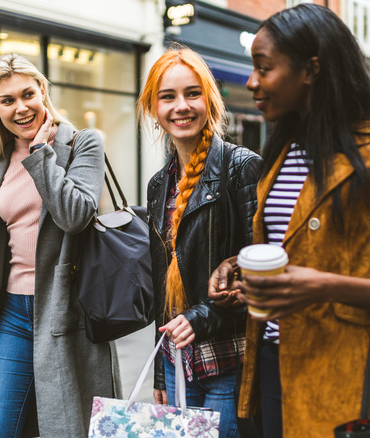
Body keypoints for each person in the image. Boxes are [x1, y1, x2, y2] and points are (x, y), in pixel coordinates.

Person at [208, 5, 370, 437]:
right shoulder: (281, 150)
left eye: (264, 67)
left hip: (349, 377)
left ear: (311, 70)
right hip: (272, 366)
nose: (252, 81)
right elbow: (294, 242)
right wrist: (237, 263)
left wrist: (323, 285)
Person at [0, 53, 120, 438]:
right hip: (11, 315)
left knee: (67, 429)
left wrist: (41, 155)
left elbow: (75, 215)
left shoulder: (83, 144)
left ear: (43, 91)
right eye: (7, 100)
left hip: (66, 313)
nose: (21, 107)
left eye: (28, 94)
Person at [138, 46, 262, 438]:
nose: (181, 106)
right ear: (153, 108)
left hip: (230, 360)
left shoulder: (241, 167)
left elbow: (259, 269)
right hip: (178, 362)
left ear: (210, 99)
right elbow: (164, 286)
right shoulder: (159, 185)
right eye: (168, 96)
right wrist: (160, 368)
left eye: (192, 93)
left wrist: (202, 317)